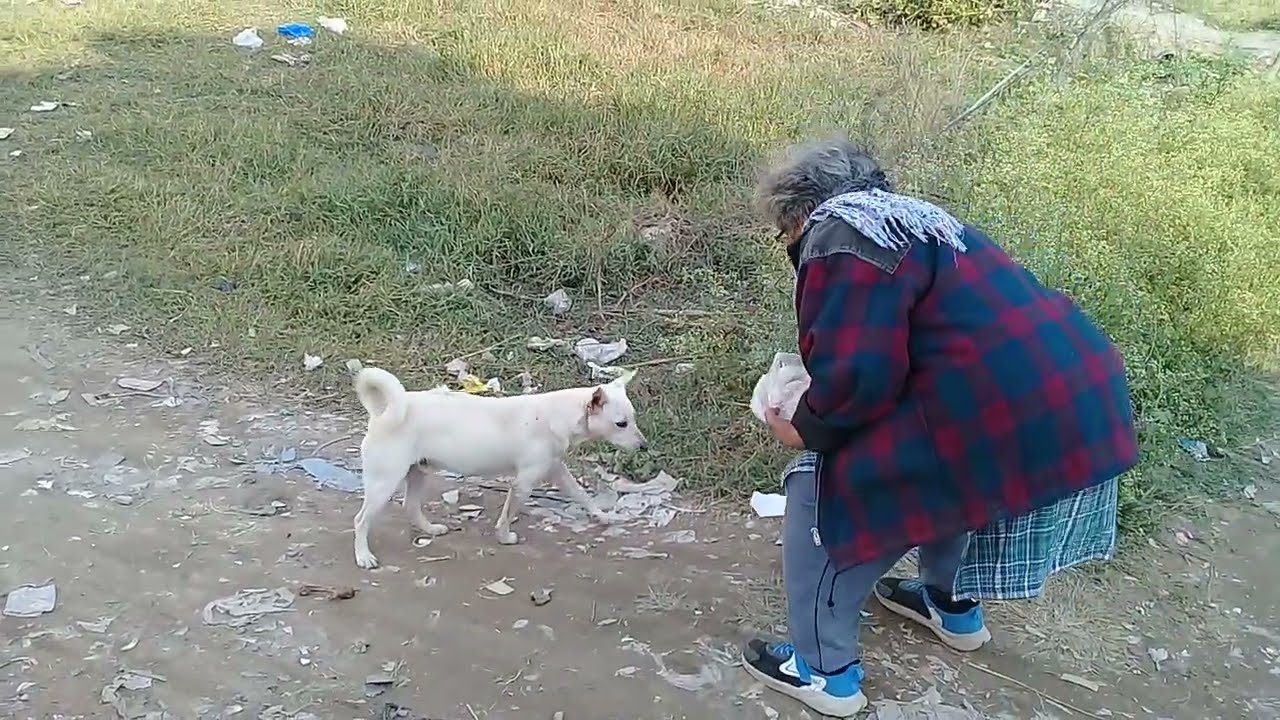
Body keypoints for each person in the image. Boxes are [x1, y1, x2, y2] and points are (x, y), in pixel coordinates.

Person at [740, 136, 1139, 717]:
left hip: (1000, 410)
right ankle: (949, 607)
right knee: (958, 479)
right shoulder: (921, 222)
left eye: (784, 234)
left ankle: (824, 672)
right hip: (1074, 397)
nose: (790, 244)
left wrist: (802, 425)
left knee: (817, 489)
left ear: (799, 210)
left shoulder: (839, 234)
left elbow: (858, 375)